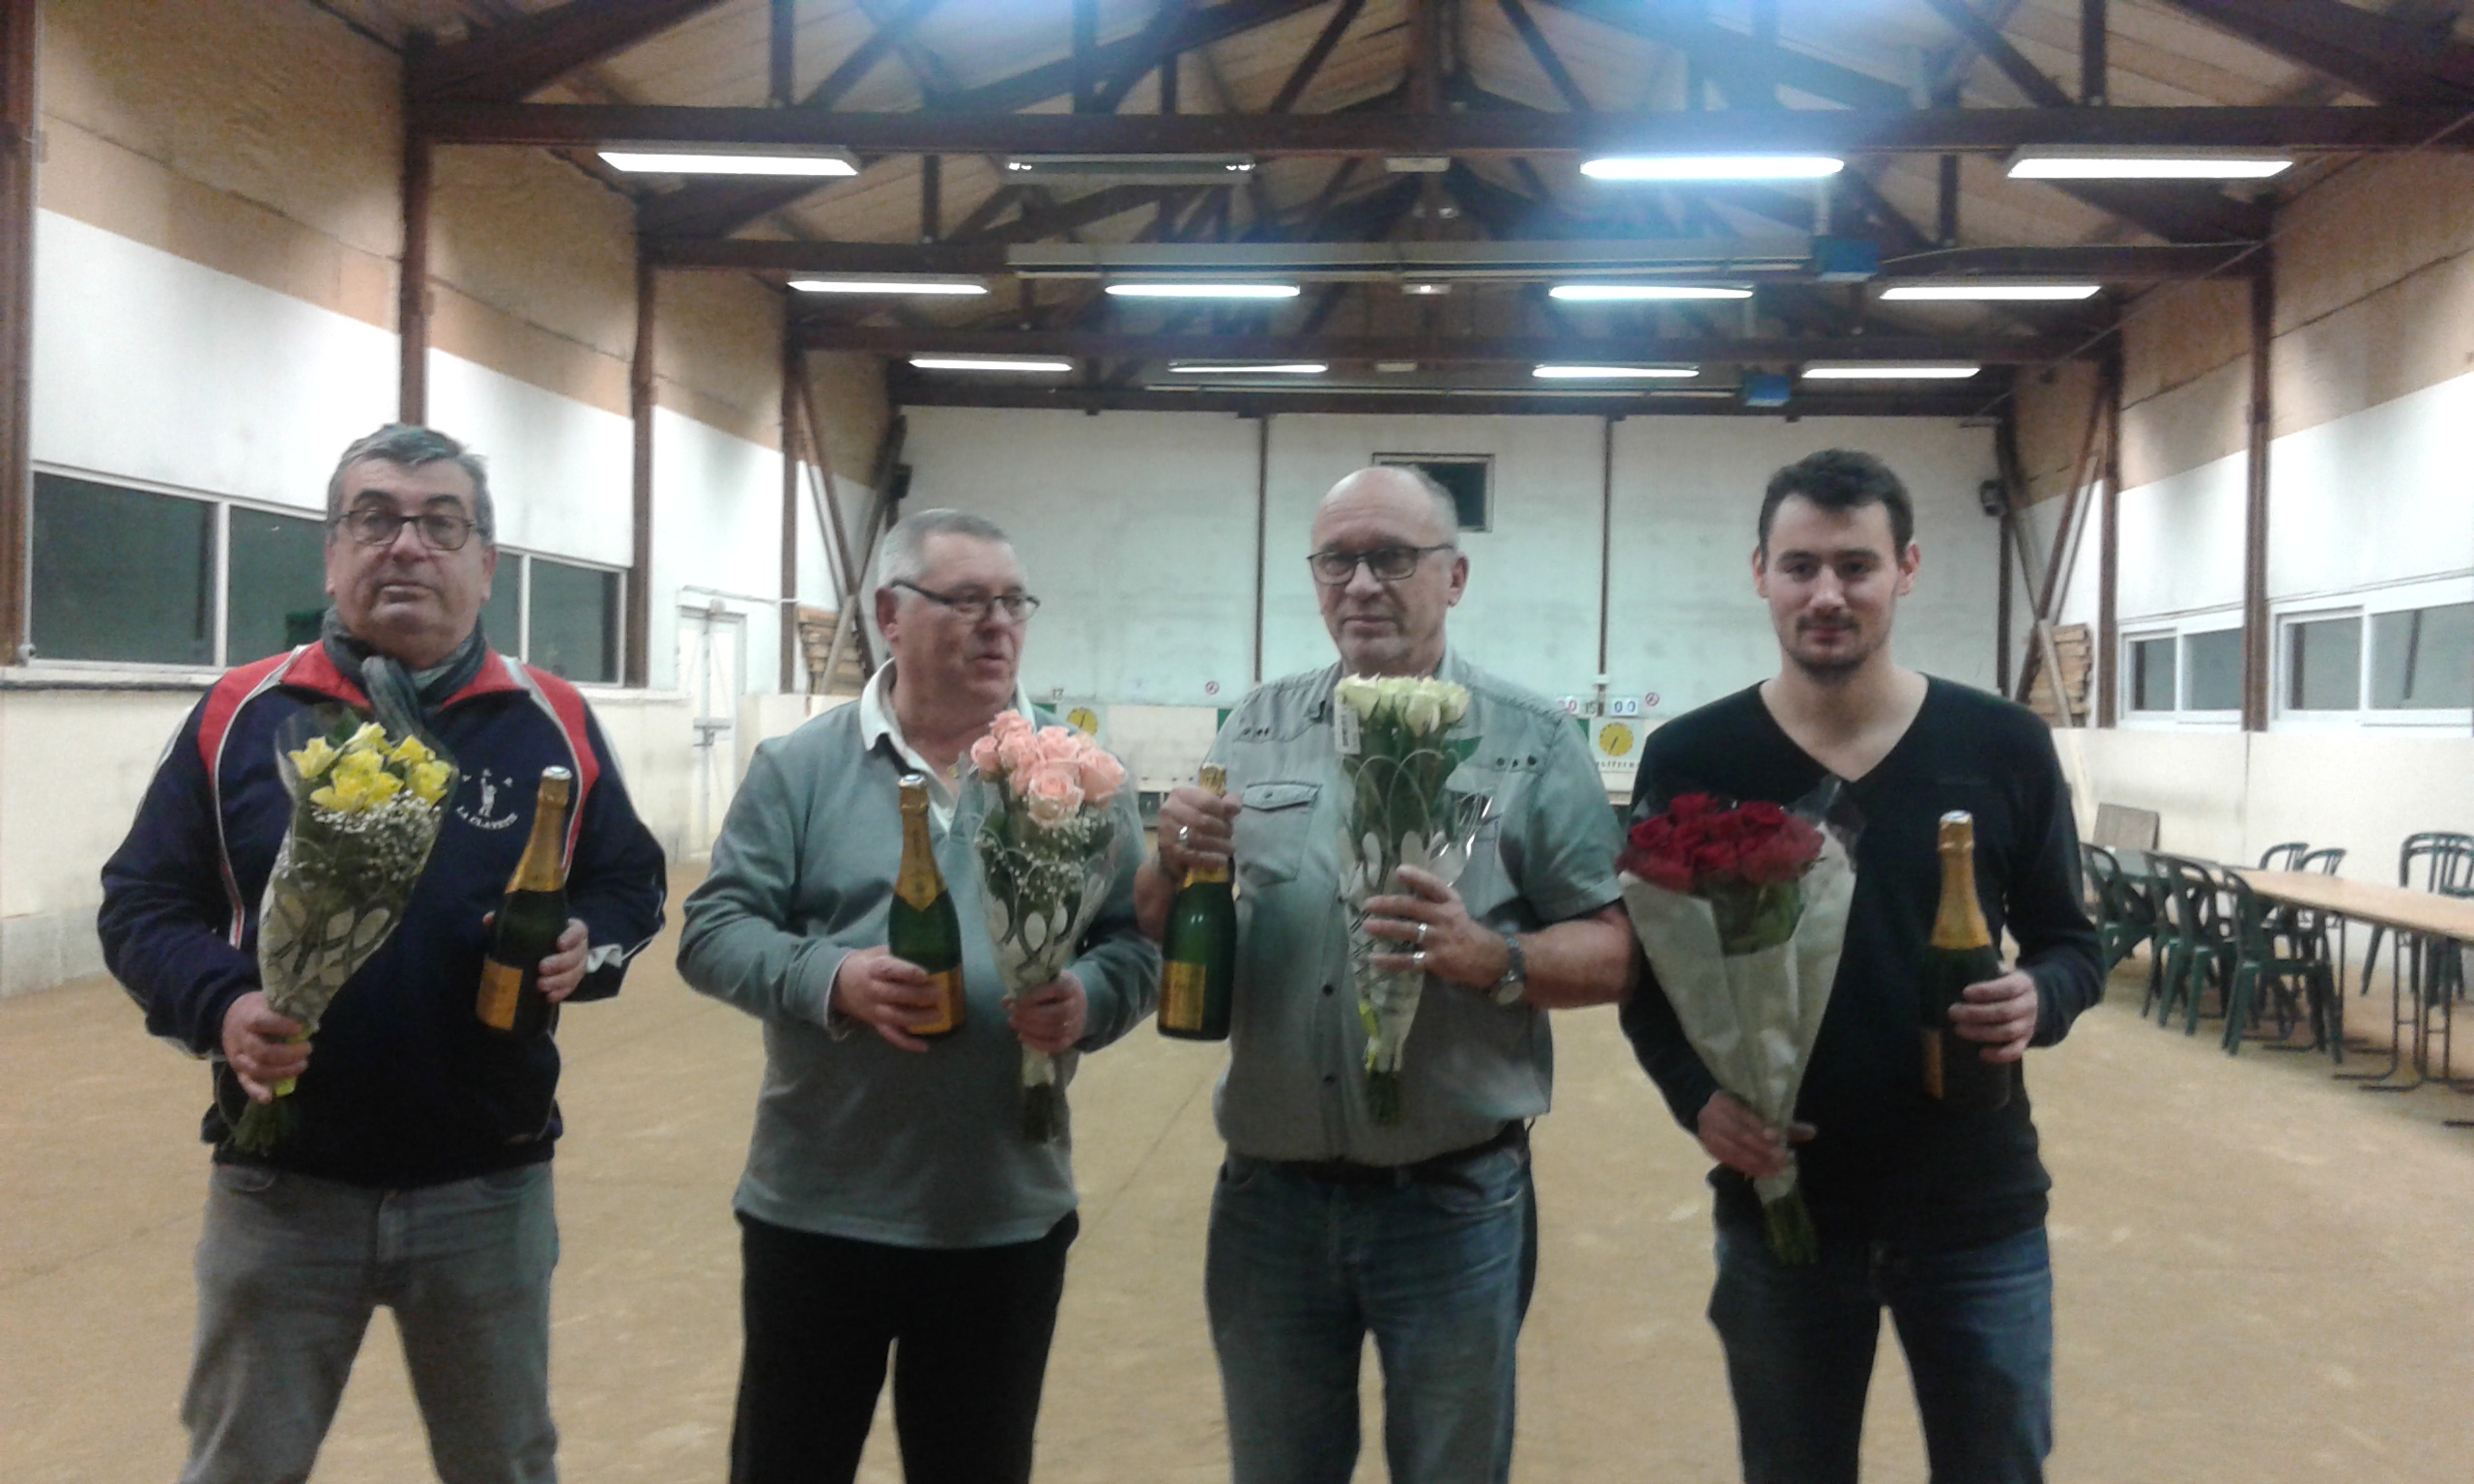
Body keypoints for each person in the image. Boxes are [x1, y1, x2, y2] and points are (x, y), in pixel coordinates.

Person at [99, 423, 669, 1484]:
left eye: (440, 523)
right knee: (240, 1466)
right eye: (374, 519)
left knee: (503, 1465)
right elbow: (139, 903)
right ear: (332, 551)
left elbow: (630, 884)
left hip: (487, 1189)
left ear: (485, 563)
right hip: (281, 1187)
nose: (405, 545)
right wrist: (221, 1005)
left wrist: (590, 947)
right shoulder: (242, 715)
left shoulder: (551, 722)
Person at [1140, 466, 1632, 1484]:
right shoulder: (1255, 726)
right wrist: (1167, 857)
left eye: (1392, 558)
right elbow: (1161, 920)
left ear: (1452, 578)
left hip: (1450, 1204)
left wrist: (1494, 959)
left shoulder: (1534, 741)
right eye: (1337, 560)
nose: (1361, 584)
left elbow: (1617, 948)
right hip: (1269, 1202)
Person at [1622, 448, 2104, 1484]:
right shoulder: (1692, 759)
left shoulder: (2004, 743)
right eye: (1800, 567)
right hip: (1783, 1211)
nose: (1826, 594)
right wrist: (1695, 1097)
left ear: (1907, 568)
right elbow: (1649, 979)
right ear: (1760, 572)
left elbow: (2074, 943)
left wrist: (2040, 998)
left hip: (1974, 1213)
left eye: (1855, 565)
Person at [676, 508, 1158, 1484]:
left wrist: (1092, 999)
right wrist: (831, 978)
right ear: (891, 613)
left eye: (1012, 601)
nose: (998, 625)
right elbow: (713, 931)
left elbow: (1131, 944)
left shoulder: (1077, 776)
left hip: (1002, 1213)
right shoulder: (800, 769)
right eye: (967, 600)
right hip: (817, 1211)